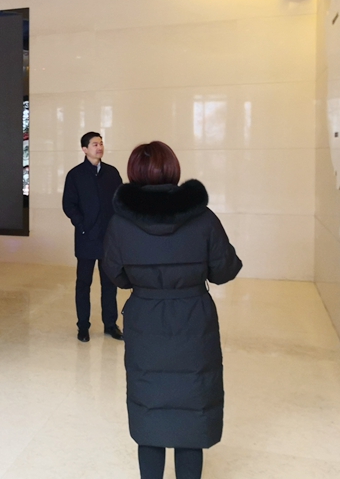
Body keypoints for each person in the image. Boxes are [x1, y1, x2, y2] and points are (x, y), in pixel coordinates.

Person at [102, 141, 242, 479]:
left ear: (134, 173)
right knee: (191, 411)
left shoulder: (121, 223)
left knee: (150, 409)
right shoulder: (203, 218)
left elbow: (116, 274)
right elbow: (224, 270)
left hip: (145, 319)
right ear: (173, 169)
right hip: (194, 318)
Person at [61, 131, 123, 342]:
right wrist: (82, 224)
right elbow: (69, 204)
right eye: (95, 144)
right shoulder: (75, 175)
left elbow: (120, 201)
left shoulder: (112, 173)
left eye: (101, 143)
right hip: (86, 237)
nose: (99, 147)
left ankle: (110, 324)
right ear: (84, 149)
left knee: (110, 283)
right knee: (83, 283)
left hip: (108, 238)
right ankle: (83, 326)